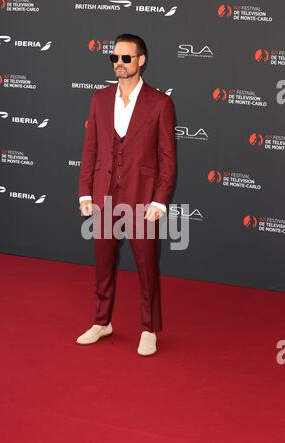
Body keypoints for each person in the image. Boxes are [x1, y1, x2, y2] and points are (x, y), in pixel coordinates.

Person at [76, 33, 176, 356]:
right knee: (103, 263)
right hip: (104, 197)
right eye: (114, 58)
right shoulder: (99, 99)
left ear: (140, 60)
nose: (119, 64)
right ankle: (101, 321)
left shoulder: (160, 103)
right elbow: (90, 151)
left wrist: (159, 200)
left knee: (146, 267)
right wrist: (85, 193)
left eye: (126, 58)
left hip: (142, 199)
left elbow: (167, 158)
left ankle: (149, 329)